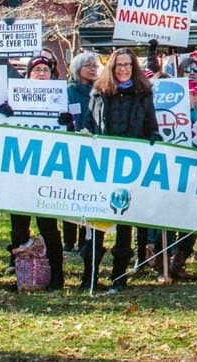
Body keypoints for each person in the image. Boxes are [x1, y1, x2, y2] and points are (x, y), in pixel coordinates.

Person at [82, 49, 160, 293]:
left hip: (129, 167)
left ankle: (119, 277)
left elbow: (151, 126)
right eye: (119, 65)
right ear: (112, 67)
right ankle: (90, 277)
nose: (123, 69)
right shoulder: (99, 92)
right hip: (102, 166)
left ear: (133, 67)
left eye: (128, 65)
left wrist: (154, 139)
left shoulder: (143, 94)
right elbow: (89, 124)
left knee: (124, 222)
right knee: (96, 225)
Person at [4, 57, 66, 291]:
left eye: (45, 70)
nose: (41, 73)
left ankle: (57, 276)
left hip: (48, 172)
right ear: (28, 74)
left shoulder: (62, 98)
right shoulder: (15, 97)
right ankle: (22, 275)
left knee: (48, 227)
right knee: (19, 227)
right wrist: (4, 112)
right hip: (21, 172)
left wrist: (67, 121)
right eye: (36, 69)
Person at [64, 52, 100, 251]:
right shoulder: (69, 91)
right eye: (88, 65)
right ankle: (69, 241)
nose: (92, 68)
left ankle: (85, 238)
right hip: (73, 146)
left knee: (89, 194)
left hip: (95, 146)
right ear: (78, 69)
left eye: (95, 65)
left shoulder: (101, 90)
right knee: (71, 194)